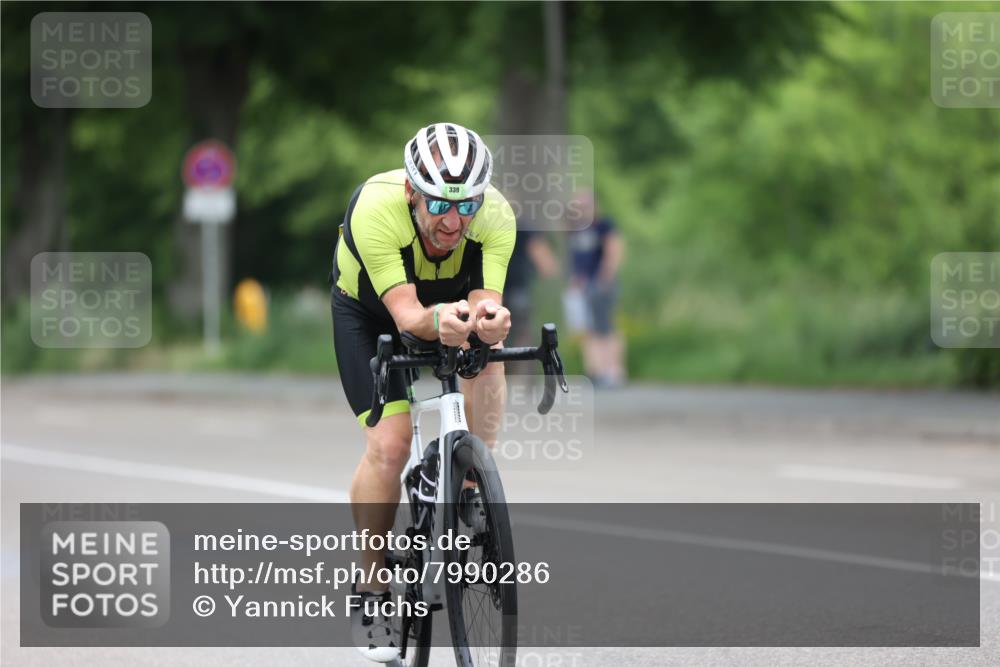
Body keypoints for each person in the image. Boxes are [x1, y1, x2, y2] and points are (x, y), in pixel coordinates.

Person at [329, 122, 515, 662]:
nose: (454, 220)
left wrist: (491, 321)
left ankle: (475, 480)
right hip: (371, 314)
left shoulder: (496, 215)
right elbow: (409, 316)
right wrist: (442, 320)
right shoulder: (374, 208)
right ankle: (371, 586)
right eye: (438, 202)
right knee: (389, 447)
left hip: (447, 303)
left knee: (488, 352)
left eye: (467, 204)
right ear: (412, 191)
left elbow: (484, 301)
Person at [566, 190, 626, 388]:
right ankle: (595, 371)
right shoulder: (575, 229)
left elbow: (614, 250)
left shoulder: (603, 226)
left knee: (605, 327)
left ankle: (614, 371)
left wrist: (605, 277)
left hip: (600, 284)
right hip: (582, 287)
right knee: (587, 330)